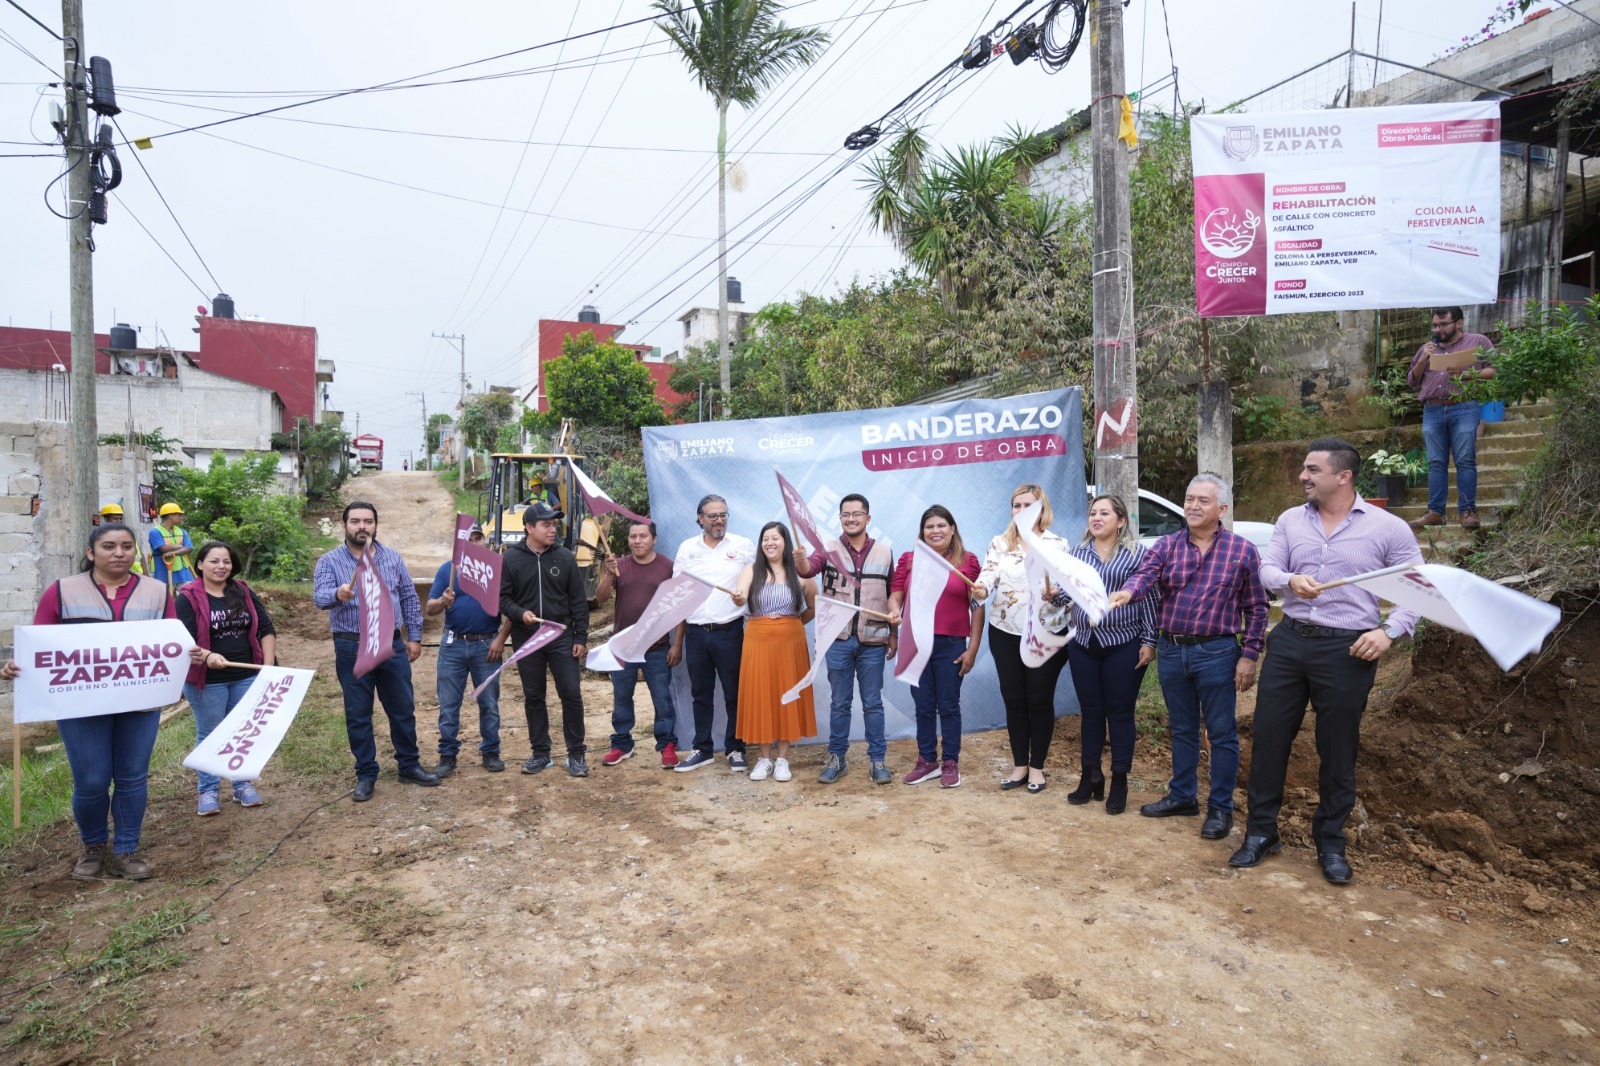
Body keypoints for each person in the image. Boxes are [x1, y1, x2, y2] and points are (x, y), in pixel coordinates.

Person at [1233, 439, 1423, 884]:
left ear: (1343, 476)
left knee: (1338, 749)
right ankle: (1261, 833)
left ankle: (1331, 844)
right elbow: (1267, 569)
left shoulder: (1388, 529)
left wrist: (1389, 631)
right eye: (1304, 468)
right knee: (1268, 739)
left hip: (1348, 650)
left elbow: (1418, 588)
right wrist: (1289, 580)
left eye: (1312, 469)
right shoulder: (1289, 521)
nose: (1303, 476)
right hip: (1290, 642)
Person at [0, 524, 175, 880]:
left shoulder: (158, 591)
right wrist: (15, 666)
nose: (119, 553)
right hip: (80, 705)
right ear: (92, 552)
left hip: (139, 702)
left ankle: (127, 850)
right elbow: (39, 645)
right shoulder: (62, 591)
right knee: (92, 779)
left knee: (131, 777)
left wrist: (192, 655)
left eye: (127, 546)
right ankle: (93, 847)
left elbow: (170, 640)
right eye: (109, 546)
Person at [1109, 474, 1269, 841]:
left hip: (1218, 651)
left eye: (1203, 500)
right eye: (1189, 498)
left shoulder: (1242, 550)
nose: (1193, 506)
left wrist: (1249, 656)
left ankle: (1220, 809)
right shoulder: (1166, 546)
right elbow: (1143, 578)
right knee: (1182, 729)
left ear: (1222, 509)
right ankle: (1183, 796)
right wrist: (1127, 593)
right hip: (1171, 650)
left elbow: (1257, 608)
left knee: (1221, 733)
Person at [312, 500, 438, 801]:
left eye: (368, 521)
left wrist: (414, 636)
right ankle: (366, 773)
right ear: (345, 525)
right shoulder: (329, 561)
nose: (362, 527)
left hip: (390, 643)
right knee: (358, 713)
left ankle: (409, 765)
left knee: (402, 709)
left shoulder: (392, 558)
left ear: (375, 525)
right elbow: (319, 597)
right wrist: (337, 594)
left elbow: (408, 597)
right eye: (355, 521)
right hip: (351, 645)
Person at [972, 484, 1071, 793]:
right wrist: (980, 590)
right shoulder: (1000, 543)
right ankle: (1019, 766)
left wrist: (1055, 596)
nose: (1021, 510)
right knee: (1014, 700)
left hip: (1046, 634)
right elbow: (987, 578)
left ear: (1041, 509)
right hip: (1005, 632)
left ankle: (1038, 768)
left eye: (1028, 505)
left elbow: (1068, 596)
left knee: (1038, 700)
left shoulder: (1059, 544)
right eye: (1016, 505)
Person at [1064, 495, 1158, 814]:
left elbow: (1149, 599)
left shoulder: (1137, 555)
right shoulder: (1075, 554)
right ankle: (1090, 776)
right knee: (1090, 713)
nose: (1096, 518)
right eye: (1092, 513)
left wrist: (1149, 640)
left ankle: (1120, 780)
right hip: (1084, 644)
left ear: (1120, 521)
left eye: (1105, 513)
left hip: (1124, 642)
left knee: (1119, 714)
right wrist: (1054, 594)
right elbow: (1068, 593)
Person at [796, 493, 896, 785]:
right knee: (840, 703)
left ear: (868, 517)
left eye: (857, 513)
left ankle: (878, 760)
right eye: (845, 514)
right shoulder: (827, 549)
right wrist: (801, 560)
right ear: (839, 518)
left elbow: (893, 596)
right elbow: (808, 569)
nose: (851, 519)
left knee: (873, 703)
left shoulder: (885, 552)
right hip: (838, 640)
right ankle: (837, 758)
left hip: (873, 640)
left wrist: (895, 634)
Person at [176, 540, 277, 815]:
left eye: (227, 562)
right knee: (210, 734)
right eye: (214, 561)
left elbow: (265, 628)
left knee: (241, 732)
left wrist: (267, 667)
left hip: (246, 674)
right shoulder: (187, 596)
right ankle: (208, 790)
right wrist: (208, 656)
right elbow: (183, 640)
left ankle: (242, 784)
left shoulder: (241, 590)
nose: (221, 567)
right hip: (206, 680)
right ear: (199, 564)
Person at [888, 505, 984, 789]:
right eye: (929, 527)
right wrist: (894, 613)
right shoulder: (909, 560)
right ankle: (927, 761)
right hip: (915, 643)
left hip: (951, 645)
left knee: (949, 705)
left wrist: (973, 647)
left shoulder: (967, 561)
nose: (935, 531)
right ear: (922, 532)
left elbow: (977, 605)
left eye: (941, 525)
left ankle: (950, 762)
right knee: (924, 706)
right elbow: (896, 598)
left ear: (952, 529)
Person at [500, 501, 590, 777]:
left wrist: (581, 636)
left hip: (561, 636)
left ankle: (576, 754)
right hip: (527, 636)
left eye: (554, 524)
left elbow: (578, 600)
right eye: (546, 525)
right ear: (529, 528)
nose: (553, 530)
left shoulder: (564, 557)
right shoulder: (511, 558)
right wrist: (519, 613)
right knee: (534, 696)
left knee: (571, 694)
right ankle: (541, 753)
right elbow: (503, 598)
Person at [672, 494, 756, 774]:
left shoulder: (743, 546)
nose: (719, 520)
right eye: (712, 516)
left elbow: (759, 579)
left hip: (729, 632)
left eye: (723, 515)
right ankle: (703, 749)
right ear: (700, 518)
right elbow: (678, 590)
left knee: (735, 693)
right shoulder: (687, 549)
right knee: (700, 693)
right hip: (696, 633)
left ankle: (735, 748)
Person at [731, 522, 818, 782]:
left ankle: (782, 760)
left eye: (775, 538)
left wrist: (788, 625)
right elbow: (740, 595)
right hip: (757, 641)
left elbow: (812, 606)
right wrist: (737, 597)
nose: (770, 543)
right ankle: (764, 758)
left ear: (785, 542)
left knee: (787, 695)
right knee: (761, 695)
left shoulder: (800, 573)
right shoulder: (752, 569)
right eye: (765, 539)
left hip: (791, 643)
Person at [594, 520, 684, 770]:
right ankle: (622, 744)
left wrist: (677, 644)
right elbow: (600, 598)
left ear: (654, 539)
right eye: (633, 536)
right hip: (624, 648)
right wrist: (610, 573)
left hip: (657, 647)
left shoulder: (667, 567)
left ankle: (666, 745)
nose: (637, 541)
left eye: (643, 536)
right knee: (621, 698)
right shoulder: (619, 565)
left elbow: (680, 609)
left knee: (662, 699)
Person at [425, 524, 511, 777]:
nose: (474, 543)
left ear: (484, 541)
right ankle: (448, 755)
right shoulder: (448, 570)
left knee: (489, 702)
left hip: (487, 645)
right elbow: (430, 608)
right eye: (468, 539)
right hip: (453, 645)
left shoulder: (496, 570)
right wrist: (442, 601)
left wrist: (501, 639)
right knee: (449, 705)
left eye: (478, 538)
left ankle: (491, 751)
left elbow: (514, 609)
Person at [1405, 306, 1496, 530]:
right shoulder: (1427, 348)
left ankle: (1467, 512)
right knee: (1435, 462)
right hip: (1432, 410)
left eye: (1443, 324)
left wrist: (1465, 374)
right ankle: (1435, 512)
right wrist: (1422, 359)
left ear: (1459, 323)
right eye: (1435, 325)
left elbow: (1494, 370)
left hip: (1463, 407)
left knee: (1465, 459)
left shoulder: (1479, 341)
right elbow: (1411, 380)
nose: (1438, 329)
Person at [149, 502, 196, 586]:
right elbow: (163, 548)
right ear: (171, 516)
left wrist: (174, 552)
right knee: (165, 597)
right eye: (179, 515)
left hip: (183, 571)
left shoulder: (181, 531)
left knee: (187, 595)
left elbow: (189, 548)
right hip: (163, 570)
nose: (181, 517)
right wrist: (180, 546)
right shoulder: (155, 532)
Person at [99, 504, 145, 573]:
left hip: (137, 575)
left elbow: (140, 554)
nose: (119, 521)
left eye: (120, 518)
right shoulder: (101, 536)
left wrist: (146, 573)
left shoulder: (128, 534)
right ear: (106, 519)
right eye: (115, 519)